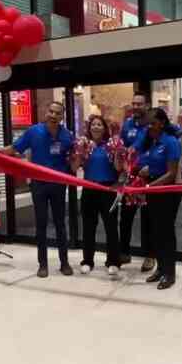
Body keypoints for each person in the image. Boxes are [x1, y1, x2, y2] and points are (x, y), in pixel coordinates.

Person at [0, 101, 74, 278]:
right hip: (39, 185)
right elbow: (14, 148)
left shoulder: (67, 136)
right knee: (41, 224)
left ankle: (64, 263)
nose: (53, 115)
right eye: (51, 111)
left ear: (62, 117)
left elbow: (73, 158)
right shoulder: (34, 131)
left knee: (60, 224)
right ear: (46, 112)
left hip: (58, 185)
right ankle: (43, 265)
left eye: (57, 113)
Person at [134, 108, 182, 290]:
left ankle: (169, 273)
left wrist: (147, 188)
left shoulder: (170, 142)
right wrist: (145, 172)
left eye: (152, 123)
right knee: (156, 232)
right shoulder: (153, 142)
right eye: (147, 124)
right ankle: (161, 269)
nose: (149, 127)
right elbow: (151, 164)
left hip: (167, 191)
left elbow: (171, 174)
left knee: (166, 233)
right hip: (153, 190)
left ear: (162, 123)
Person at [71, 115, 122, 275]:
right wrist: (79, 152)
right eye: (93, 124)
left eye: (100, 124)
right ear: (89, 127)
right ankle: (87, 260)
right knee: (88, 227)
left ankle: (113, 262)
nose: (96, 127)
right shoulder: (85, 145)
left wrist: (117, 152)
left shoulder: (111, 144)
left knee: (111, 228)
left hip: (108, 190)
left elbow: (119, 168)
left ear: (104, 128)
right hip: (89, 189)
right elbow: (74, 168)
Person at [119, 92, 156, 272]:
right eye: (133, 103)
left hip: (149, 176)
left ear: (146, 106)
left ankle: (150, 255)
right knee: (126, 216)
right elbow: (123, 146)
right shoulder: (127, 124)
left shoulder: (154, 123)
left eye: (139, 104)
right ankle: (124, 252)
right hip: (131, 177)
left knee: (149, 218)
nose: (135, 107)